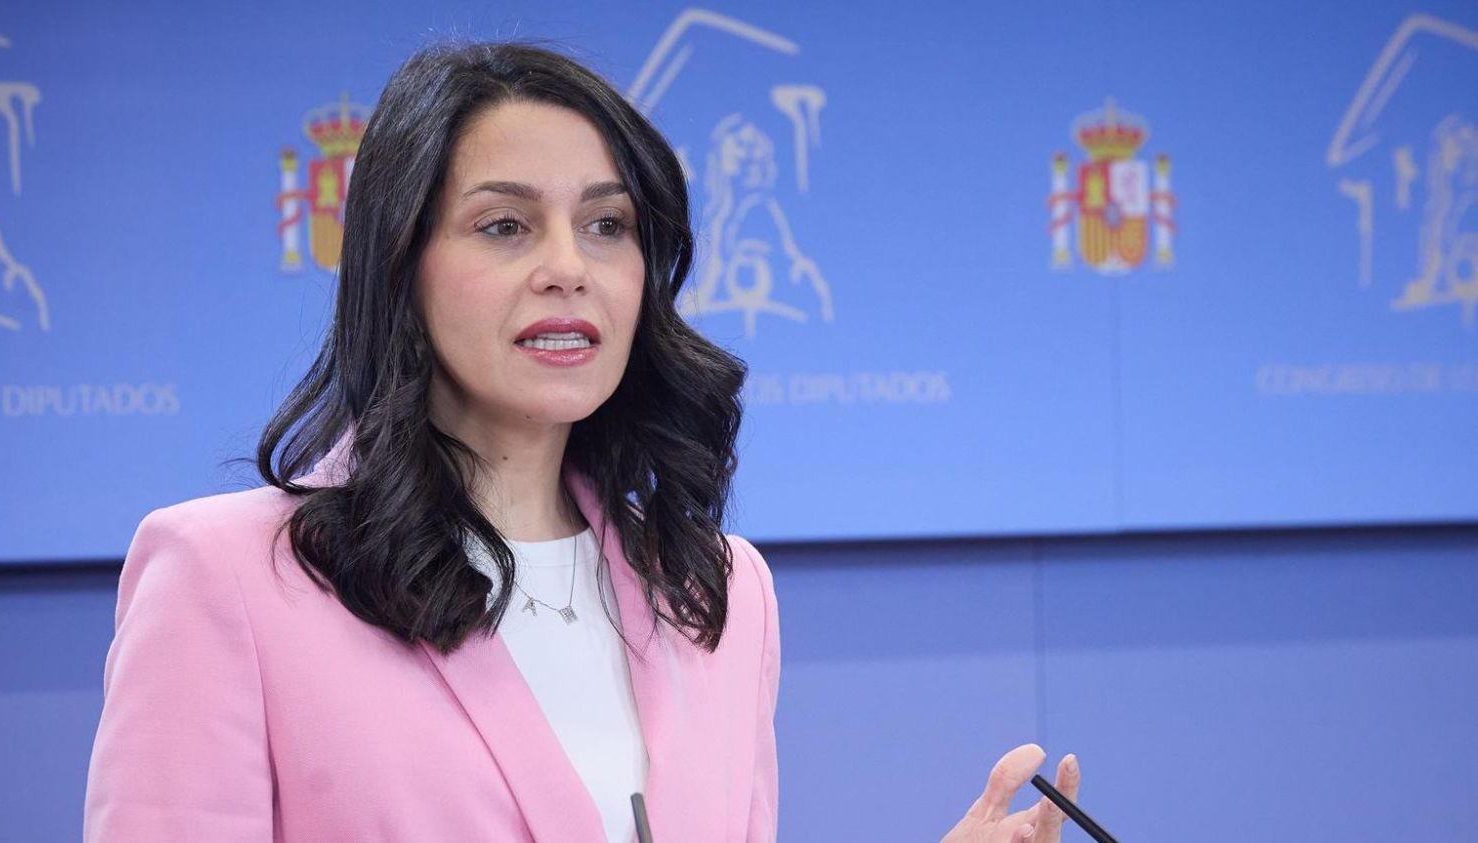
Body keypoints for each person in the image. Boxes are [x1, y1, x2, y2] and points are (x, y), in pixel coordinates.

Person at [83, 42, 1080, 842]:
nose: (570, 267)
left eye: (607, 225)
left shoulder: (719, 592)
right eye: (506, 226)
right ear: (401, 264)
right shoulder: (228, 578)